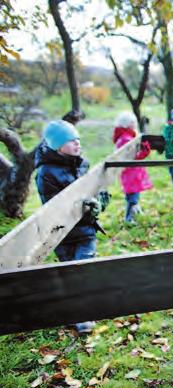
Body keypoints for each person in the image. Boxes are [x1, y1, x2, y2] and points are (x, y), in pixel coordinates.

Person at [35, 120, 108, 334]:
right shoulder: (46, 173)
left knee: (82, 271)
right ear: (58, 146)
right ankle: (73, 313)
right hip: (62, 234)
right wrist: (81, 205)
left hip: (85, 230)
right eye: (71, 141)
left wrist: (99, 201)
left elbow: (95, 189)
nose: (77, 144)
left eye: (78, 139)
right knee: (69, 274)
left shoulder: (82, 164)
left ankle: (83, 316)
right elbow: (54, 204)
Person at [112, 112, 153, 224]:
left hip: (131, 171)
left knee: (133, 194)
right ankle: (129, 218)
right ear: (126, 124)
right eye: (132, 122)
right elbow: (133, 157)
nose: (134, 124)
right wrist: (144, 152)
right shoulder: (126, 139)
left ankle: (135, 211)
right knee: (132, 196)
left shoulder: (128, 136)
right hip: (130, 172)